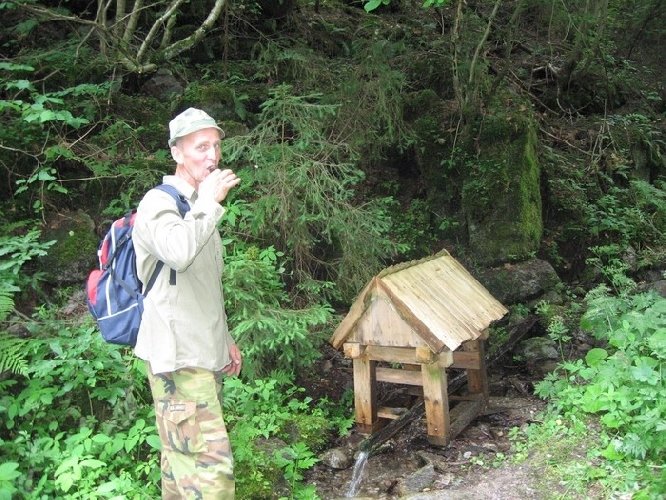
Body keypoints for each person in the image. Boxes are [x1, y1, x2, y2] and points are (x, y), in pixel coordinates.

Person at [132, 107, 242, 499]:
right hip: (177, 360)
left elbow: (203, 288)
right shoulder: (158, 203)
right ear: (177, 153)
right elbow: (178, 253)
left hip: (202, 354)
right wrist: (209, 202)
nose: (213, 156)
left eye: (216, 146)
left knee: (180, 466)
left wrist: (224, 340)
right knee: (211, 474)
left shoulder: (197, 206)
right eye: (201, 147)